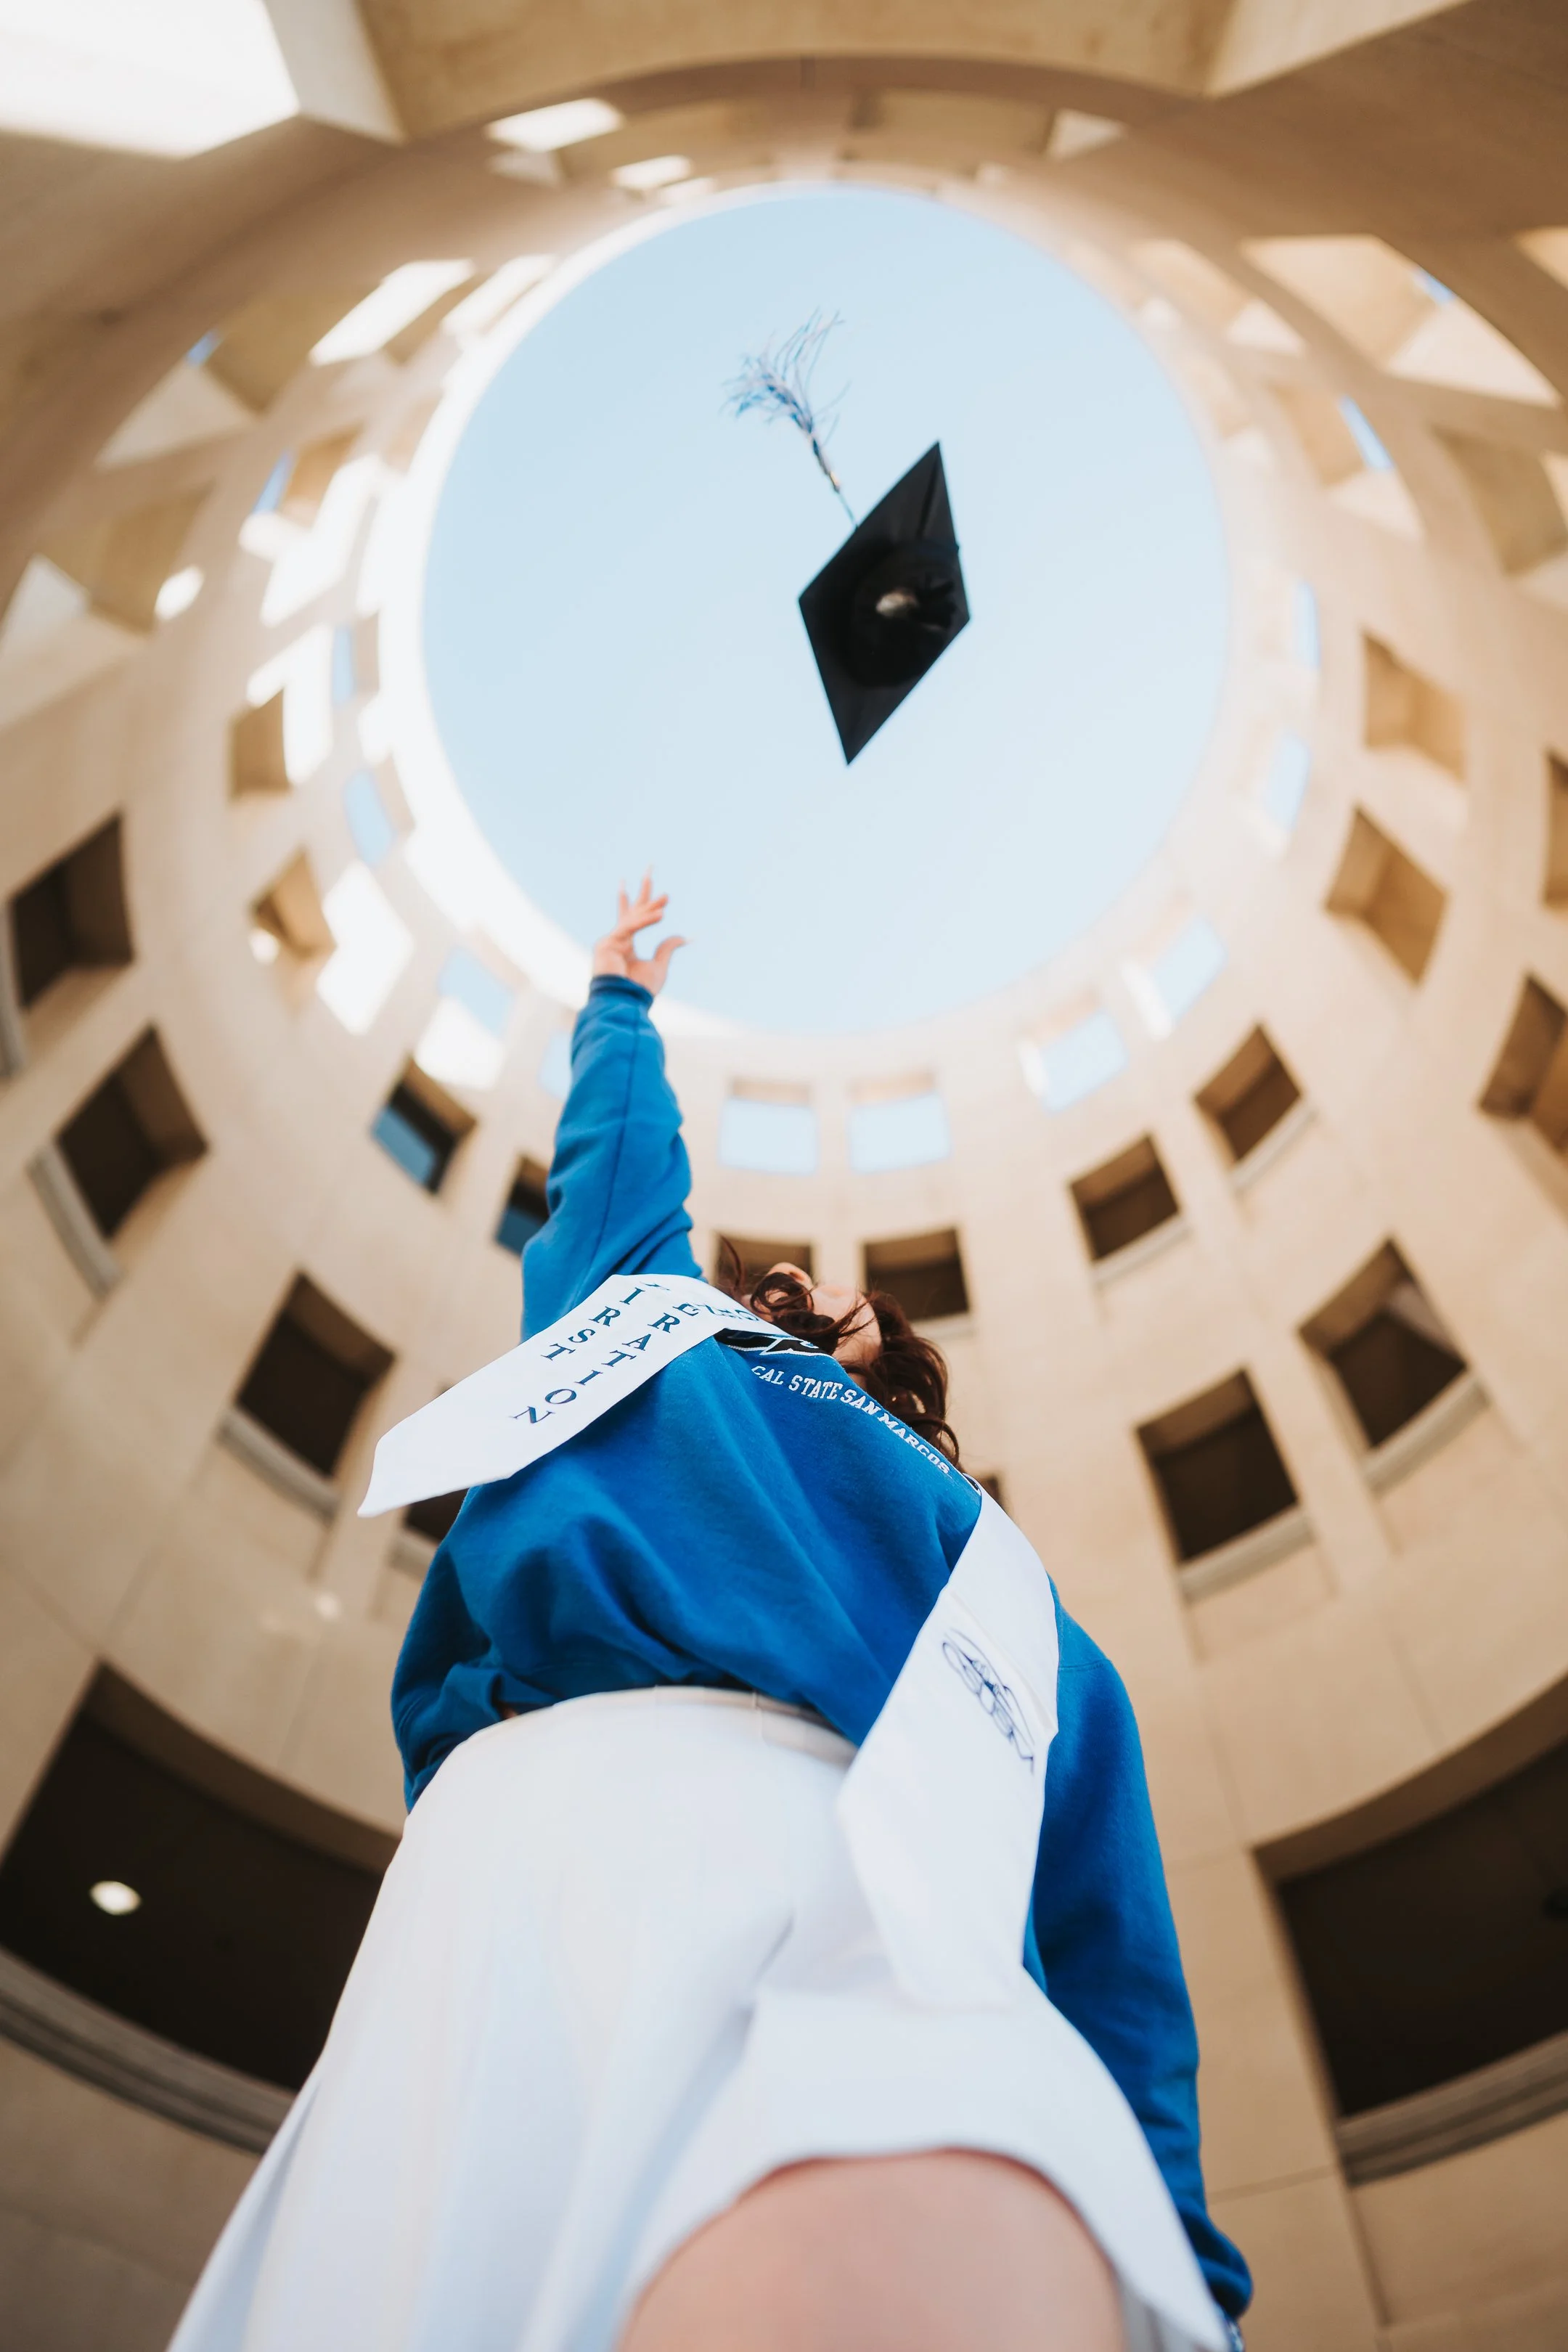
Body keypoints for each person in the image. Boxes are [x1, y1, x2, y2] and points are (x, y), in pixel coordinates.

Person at [170, 878, 1251, 2352]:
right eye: (787, 1284)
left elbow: (1107, 1922)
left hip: (900, 1867)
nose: (807, 1288)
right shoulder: (648, 1332)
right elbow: (618, 1176)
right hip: (543, 1829)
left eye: (848, 1306)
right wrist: (619, 1008)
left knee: (945, 2228)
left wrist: (1184, 2261)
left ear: (892, 1370)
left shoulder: (991, 1559)